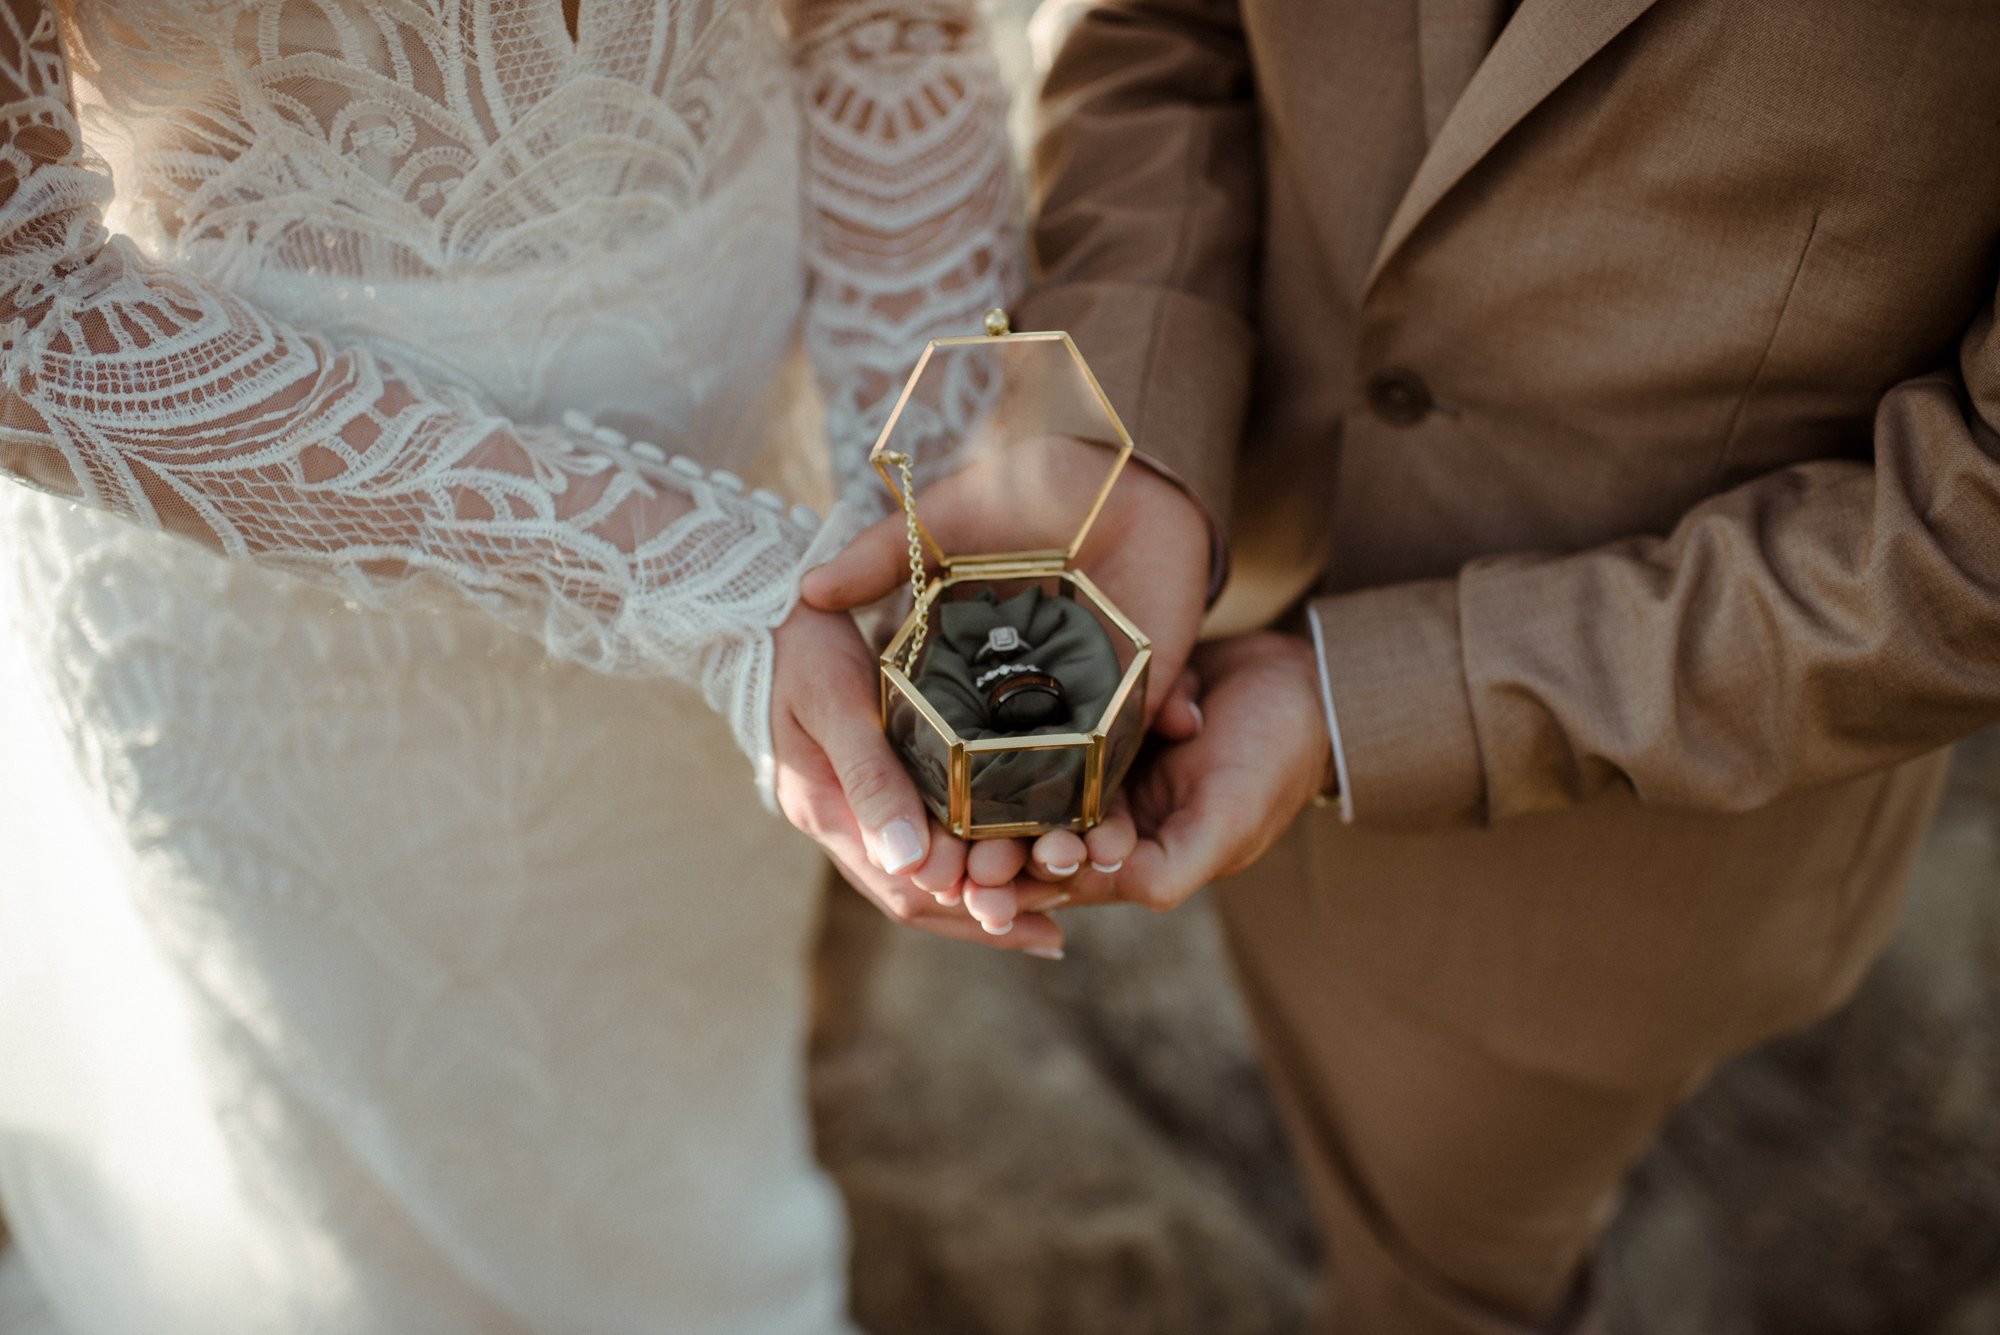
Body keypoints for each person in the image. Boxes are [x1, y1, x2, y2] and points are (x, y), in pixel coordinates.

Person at [810, 1, 2000, 1331]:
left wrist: (1382, 703)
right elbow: (1159, 26)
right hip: (1209, 562)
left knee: (1447, 1277)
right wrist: (1128, 438)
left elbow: (1976, 540)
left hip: (1613, 849)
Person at [0, 1, 1042, 1330]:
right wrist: (693, 581)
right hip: (280, 626)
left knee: (682, 1146)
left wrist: (923, 529)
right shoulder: (724, 590)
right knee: (384, 1211)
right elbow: (22, 316)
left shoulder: (820, 576)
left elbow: (884, 30)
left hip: (771, 513)